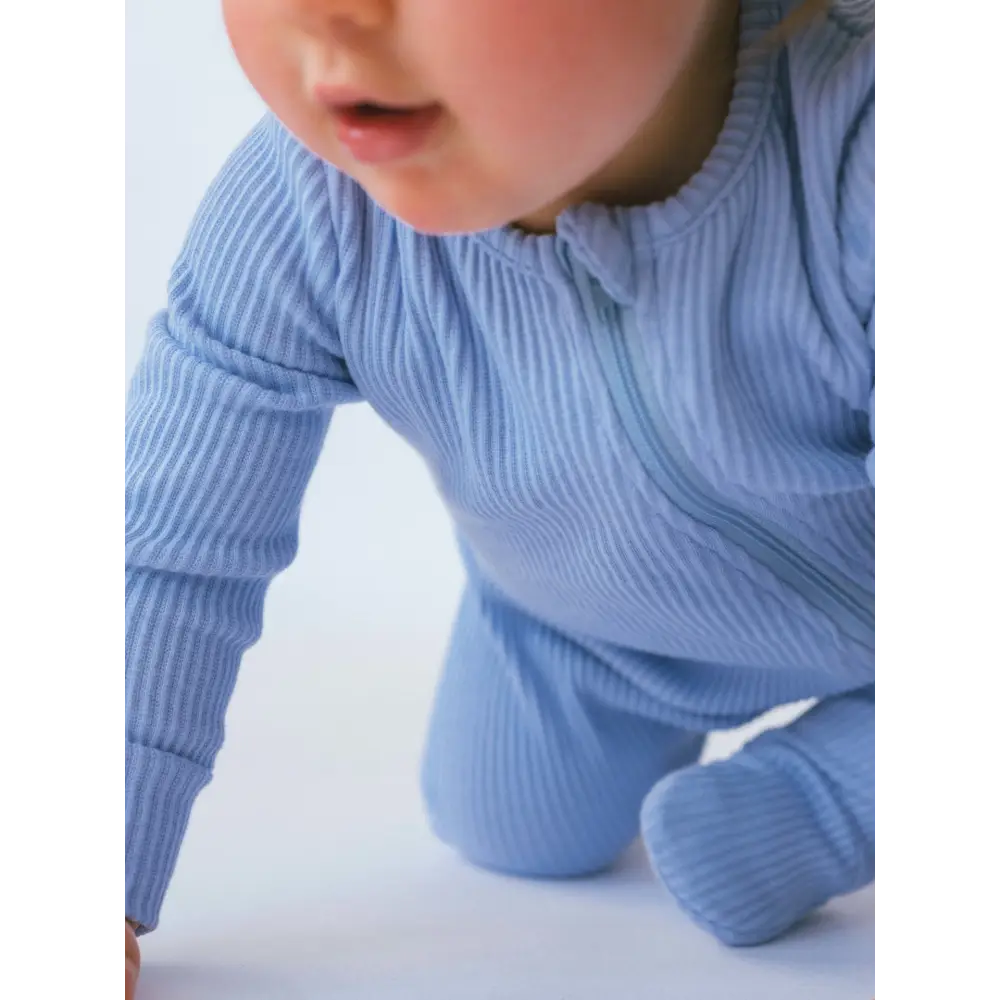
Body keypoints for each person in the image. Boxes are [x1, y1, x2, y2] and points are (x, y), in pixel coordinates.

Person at [122, 0, 878, 992]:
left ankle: (836, 783)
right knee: (510, 820)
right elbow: (167, 549)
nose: (325, 12)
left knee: (768, 826)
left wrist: (822, 804)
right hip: (588, 626)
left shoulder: (851, 143)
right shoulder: (302, 211)